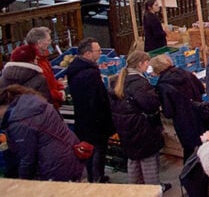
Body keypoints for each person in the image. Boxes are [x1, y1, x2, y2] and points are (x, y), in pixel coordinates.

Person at [109, 50, 170, 193]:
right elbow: (151, 104)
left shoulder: (118, 80)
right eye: (147, 63)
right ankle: (153, 191)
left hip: (126, 128)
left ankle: (135, 191)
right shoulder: (139, 83)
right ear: (141, 64)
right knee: (149, 162)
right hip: (142, 128)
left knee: (134, 161)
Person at [0, 85, 85, 181]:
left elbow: (27, 159)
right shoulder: (35, 105)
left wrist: (22, 183)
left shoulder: (20, 121)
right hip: (69, 154)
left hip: (53, 165)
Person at [66, 37, 115, 183]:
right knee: (98, 150)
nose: (100, 53)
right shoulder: (89, 73)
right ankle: (97, 180)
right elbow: (97, 99)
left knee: (90, 150)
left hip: (83, 118)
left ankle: (95, 176)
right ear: (87, 53)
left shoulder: (75, 69)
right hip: (95, 121)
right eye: (98, 50)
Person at [151, 54, 209, 161]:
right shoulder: (187, 73)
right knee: (206, 147)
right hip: (200, 116)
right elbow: (201, 89)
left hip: (183, 122)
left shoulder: (162, 86)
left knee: (189, 151)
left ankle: (192, 175)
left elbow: (168, 112)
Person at [23, 27, 64, 108]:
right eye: (48, 40)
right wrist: (58, 95)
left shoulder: (43, 59)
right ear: (39, 43)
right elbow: (39, 91)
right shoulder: (33, 64)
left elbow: (51, 79)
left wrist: (60, 87)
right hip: (44, 107)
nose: (50, 42)